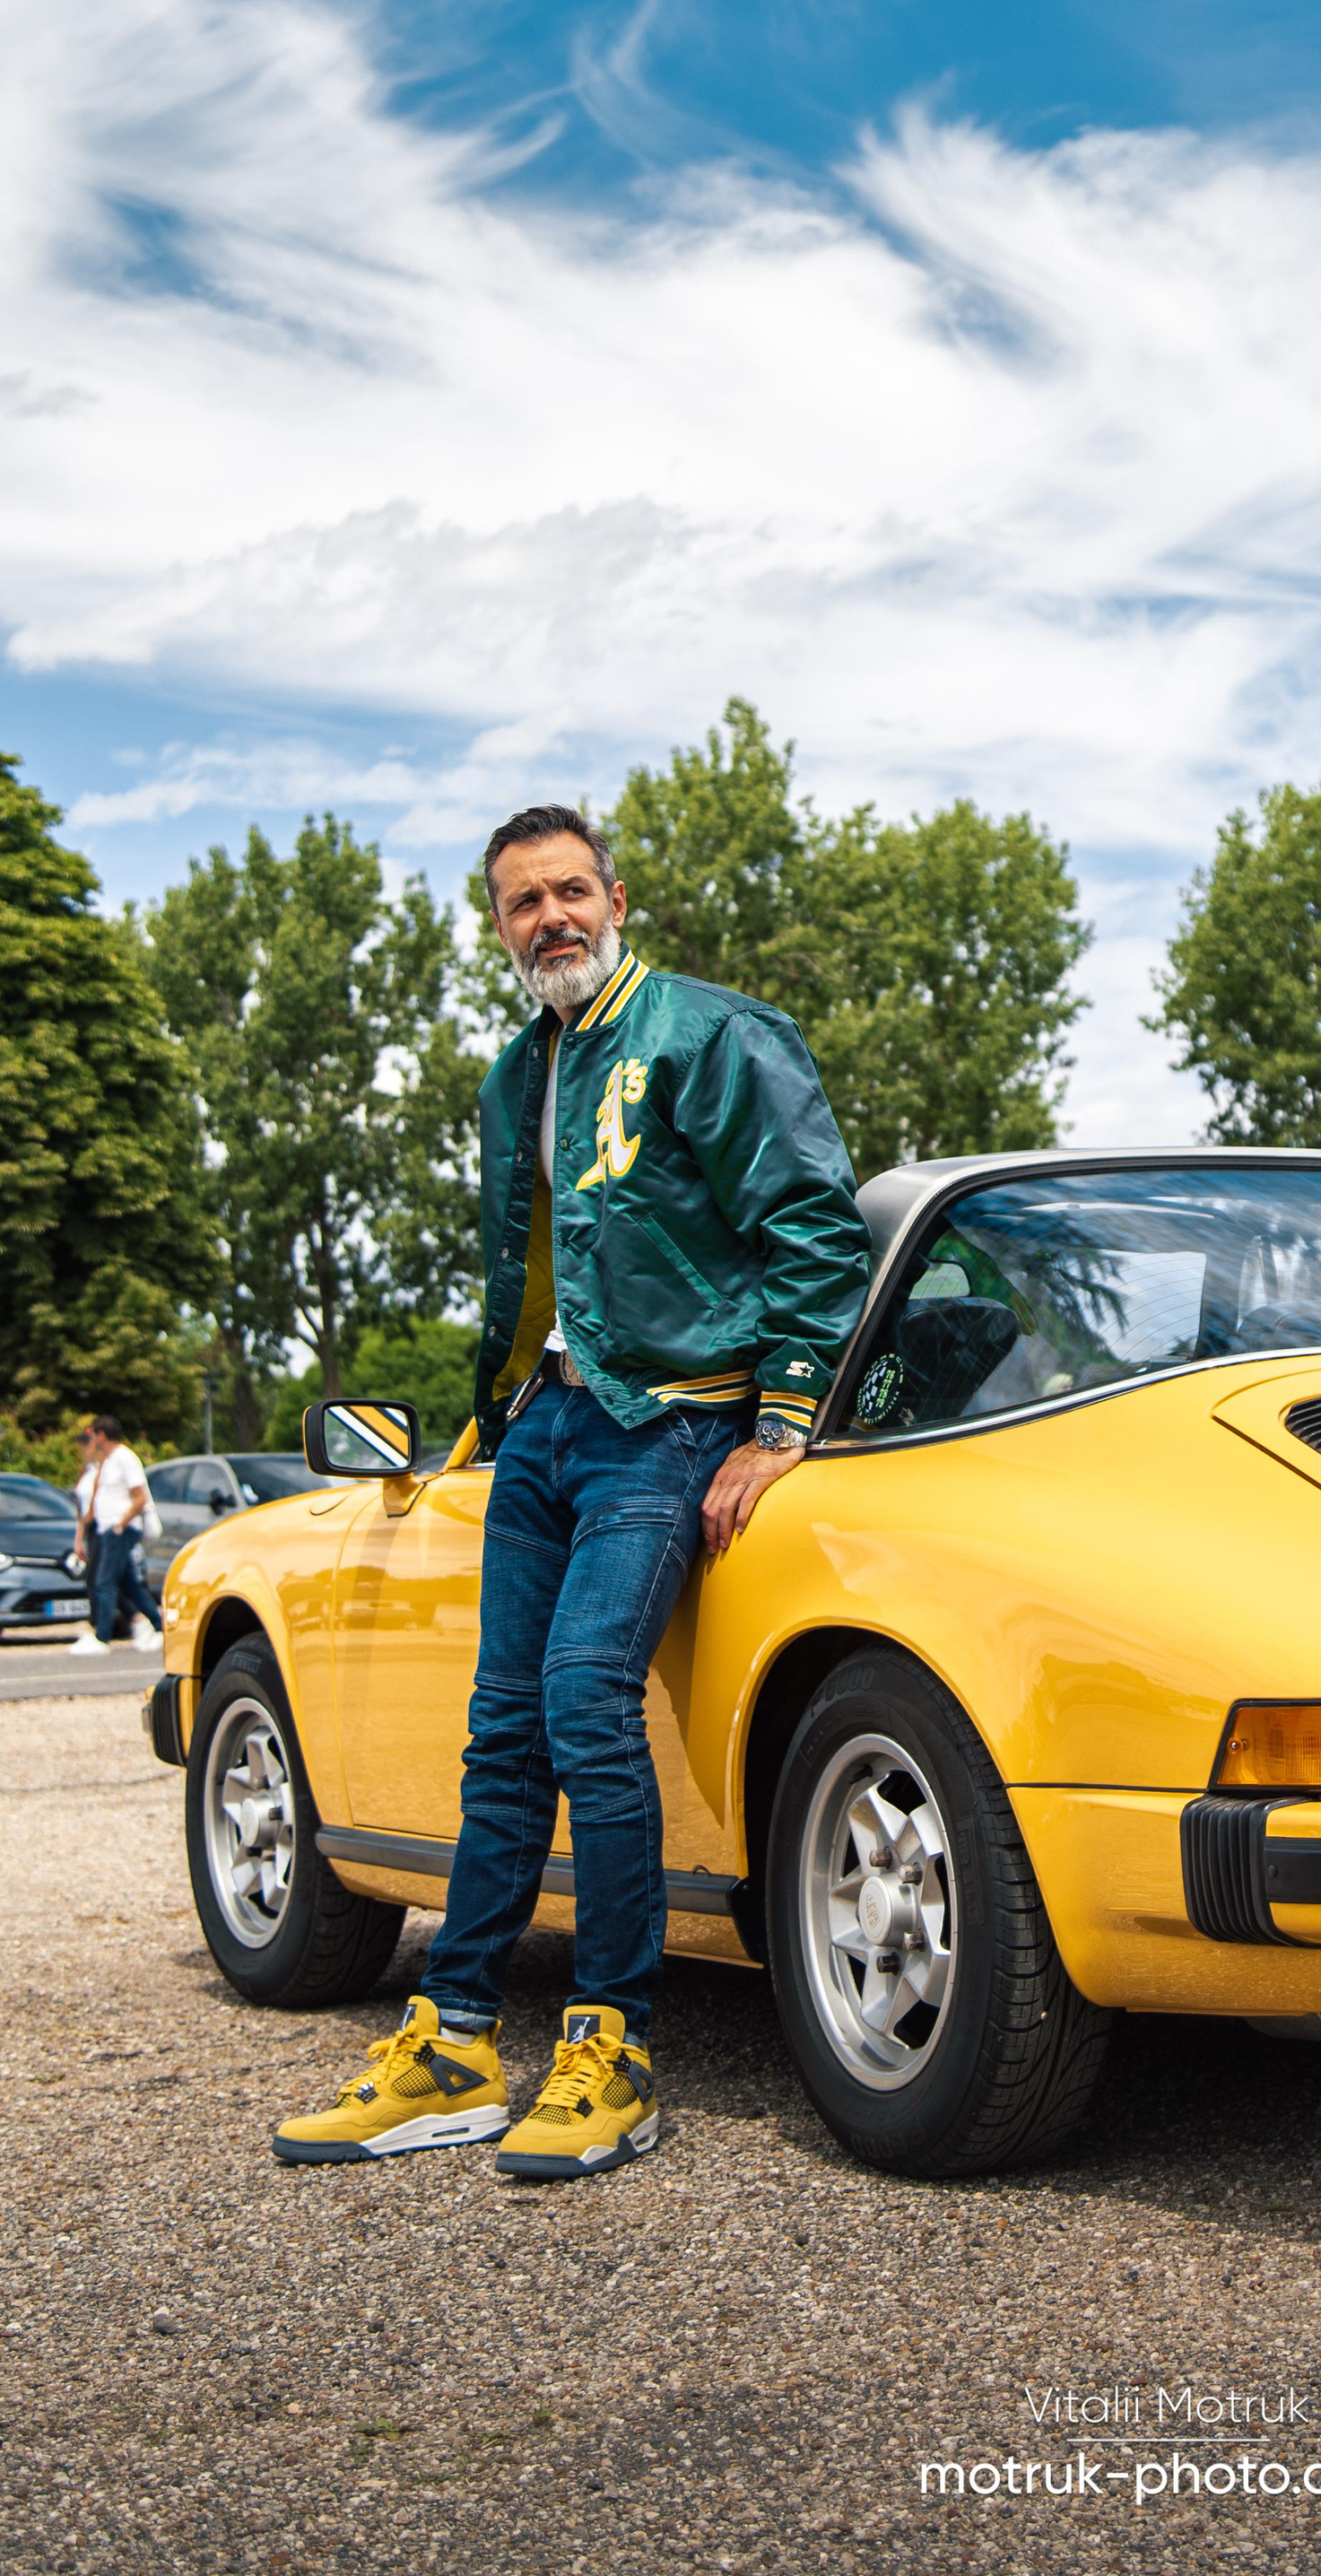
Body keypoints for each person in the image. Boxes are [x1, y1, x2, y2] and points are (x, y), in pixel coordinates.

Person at [274, 803, 873, 2180]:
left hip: (668, 1420)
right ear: (499, 927)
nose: (549, 918)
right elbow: (532, 1263)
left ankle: (613, 2044)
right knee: (501, 1736)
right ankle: (455, 2043)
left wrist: (781, 1423)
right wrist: (499, 1418)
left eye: (568, 892)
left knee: (584, 1701)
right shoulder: (514, 1076)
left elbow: (813, 1226)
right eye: (520, 902)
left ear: (616, 899)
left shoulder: (714, 1034)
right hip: (543, 1426)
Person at [72, 1417, 163, 1652]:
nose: (92, 1440)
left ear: (102, 1435)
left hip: (120, 1530)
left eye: (94, 1435)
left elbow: (140, 1497)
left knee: (104, 1581)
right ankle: (160, 1626)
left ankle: (102, 1637)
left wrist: (121, 1523)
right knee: (129, 1584)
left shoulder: (125, 1458)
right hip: (108, 1529)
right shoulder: (110, 1460)